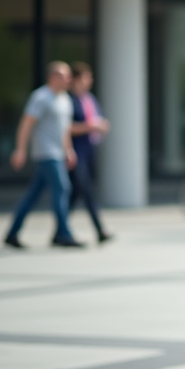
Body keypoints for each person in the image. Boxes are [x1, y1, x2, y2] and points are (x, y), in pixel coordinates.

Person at [5, 62, 81, 249]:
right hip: (46, 153)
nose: (68, 79)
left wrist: (69, 150)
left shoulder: (65, 100)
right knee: (63, 188)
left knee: (33, 195)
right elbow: (26, 125)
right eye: (65, 75)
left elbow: (64, 130)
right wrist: (20, 150)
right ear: (53, 77)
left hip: (58, 152)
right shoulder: (41, 97)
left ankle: (12, 233)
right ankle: (64, 234)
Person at [68, 62, 112, 242]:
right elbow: (66, 127)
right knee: (86, 189)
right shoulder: (69, 101)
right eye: (87, 77)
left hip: (89, 150)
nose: (90, 80)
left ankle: (60, 230)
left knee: (76, 192)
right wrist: (89, 126)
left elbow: (97, 118)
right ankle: (99, 230)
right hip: (74, 149)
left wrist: (101, 126)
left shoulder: (89, 99)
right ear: (77, 79)